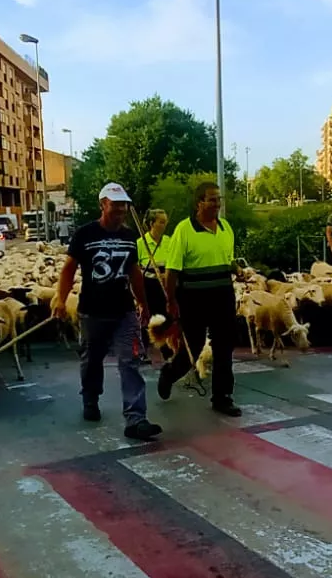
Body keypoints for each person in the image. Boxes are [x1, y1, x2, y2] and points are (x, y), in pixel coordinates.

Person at [53, 183, 162, 441]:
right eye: (115, 205)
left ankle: (136, 419)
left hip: (124, 310)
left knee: (131, 360)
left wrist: (143, 303)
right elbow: (69, 269)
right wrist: (60, 298)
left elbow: (134, 272)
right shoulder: (85, 234)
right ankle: (90, 397)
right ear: (103, 204)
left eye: (123, 204)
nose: (120, 210)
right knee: (92, 359)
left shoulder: (128, 237)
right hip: (92, 311)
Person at [157, 182, 241, 417]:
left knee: (224, 347)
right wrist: (171, 300)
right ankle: (170, 373)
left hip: (223, 296)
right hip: (193, 298)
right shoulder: (184, 230)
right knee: (192, 348)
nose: (217, 204)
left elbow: (227, 258)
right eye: (212, 199)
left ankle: (222, 397)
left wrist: (236, 268)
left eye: (218, 199)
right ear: (199, 203)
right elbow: (172, 271)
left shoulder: (226, 229)